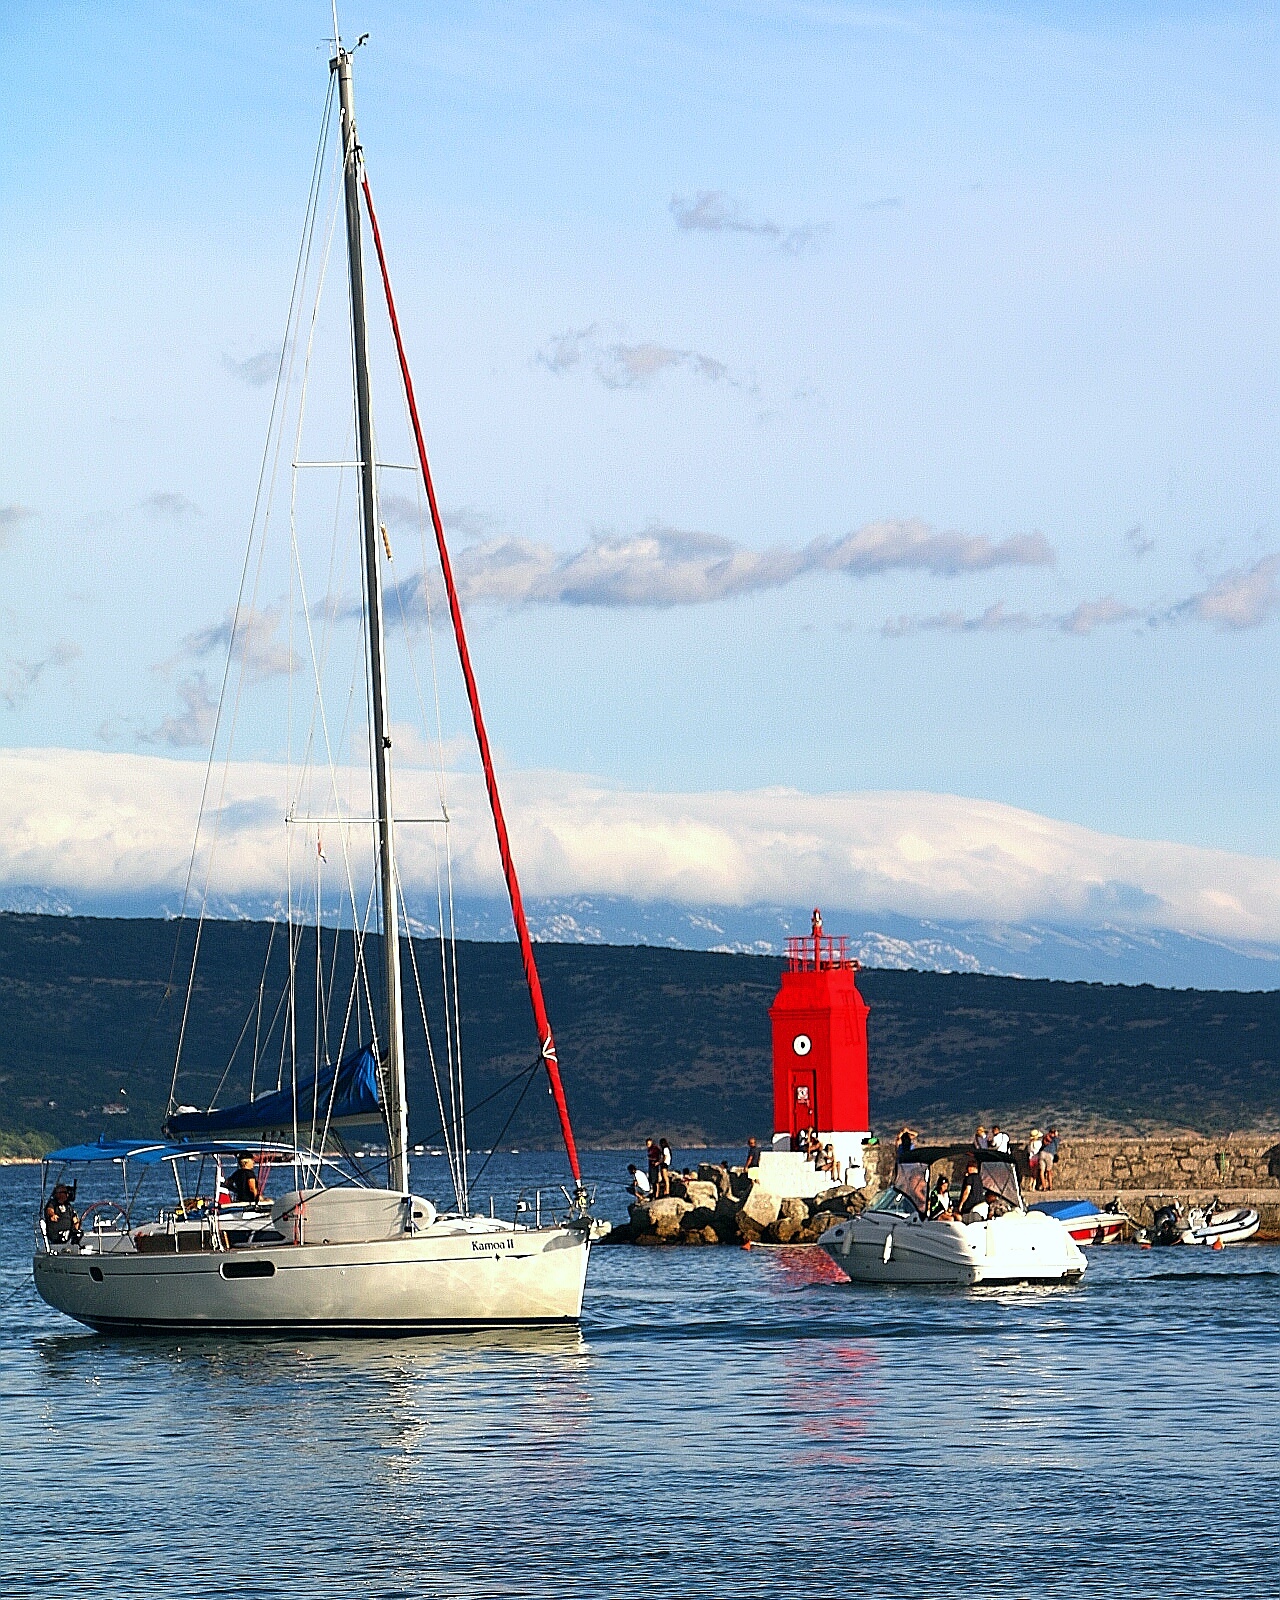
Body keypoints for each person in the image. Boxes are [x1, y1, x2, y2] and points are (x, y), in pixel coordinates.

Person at [44, 1182, 81, 1246]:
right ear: (58, 1194)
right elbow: (49, 1210)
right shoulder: (53, 1203)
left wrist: (76, 1225)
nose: (67, 1194)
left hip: (69, 1233)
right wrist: (52, 1215)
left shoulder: (68, 1206)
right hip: (57, 1234)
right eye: (64, 1192)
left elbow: (74, 1218)